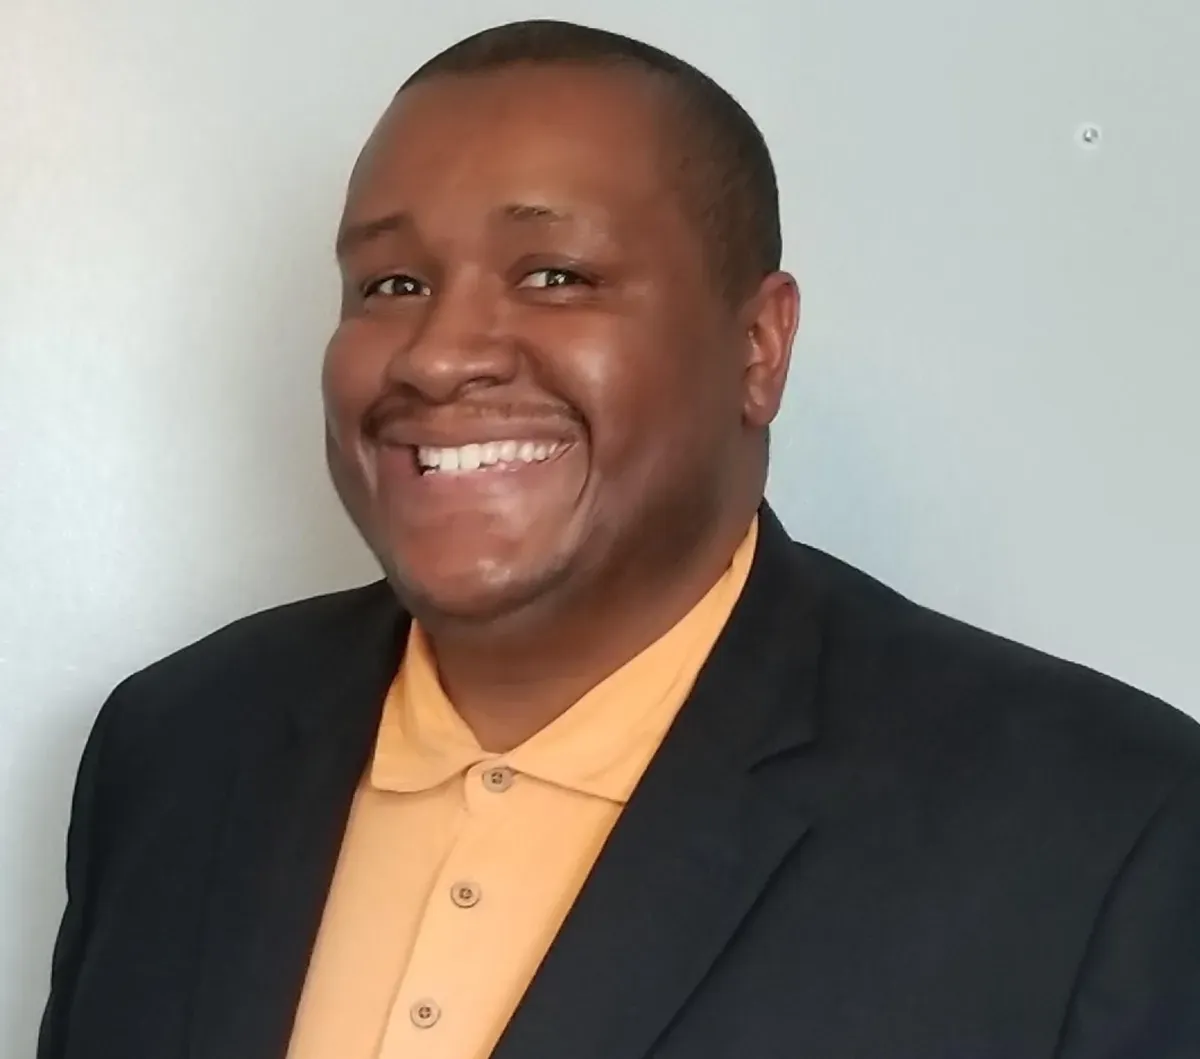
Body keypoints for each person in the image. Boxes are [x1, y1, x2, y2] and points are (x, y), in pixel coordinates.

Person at [38, 18, 1200, 1059]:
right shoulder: (178, 747)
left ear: (758, 349)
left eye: (555, 274)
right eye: (389, 283)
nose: (440, 356)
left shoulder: (1104, 832)